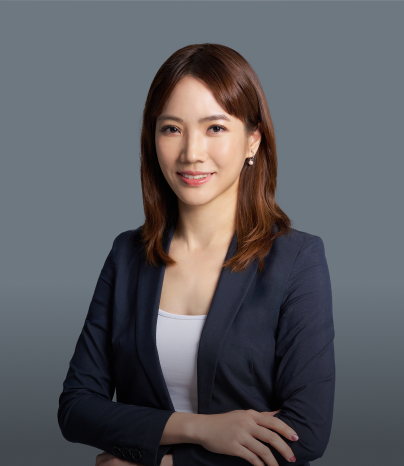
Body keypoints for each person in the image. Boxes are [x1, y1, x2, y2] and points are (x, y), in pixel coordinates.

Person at [58, 43, 335, 466]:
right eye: (171, 128)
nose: (191, 153)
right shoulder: (126, 255)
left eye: (215, 128)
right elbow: (76, 407)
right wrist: (200, 429)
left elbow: (306, 433)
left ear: (253, 140)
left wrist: (166, 463)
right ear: (152, 139)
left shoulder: (298, 259)